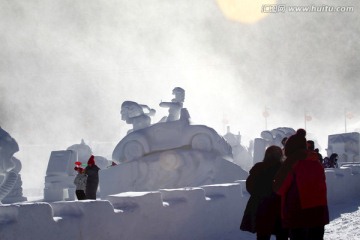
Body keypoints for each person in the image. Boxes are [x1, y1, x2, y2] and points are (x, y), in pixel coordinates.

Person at [273, 129, 329, 240]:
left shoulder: (291, 163)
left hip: (299, 213)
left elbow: (279, 188)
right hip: (318, 212)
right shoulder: (315, 161)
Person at [240, 145, 288, 240]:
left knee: (262, 235)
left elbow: (250, 186)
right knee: (282, 235)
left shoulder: (259, 168)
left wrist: (259, 195)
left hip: (260, 207)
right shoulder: (284, 168)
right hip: (279, 207)